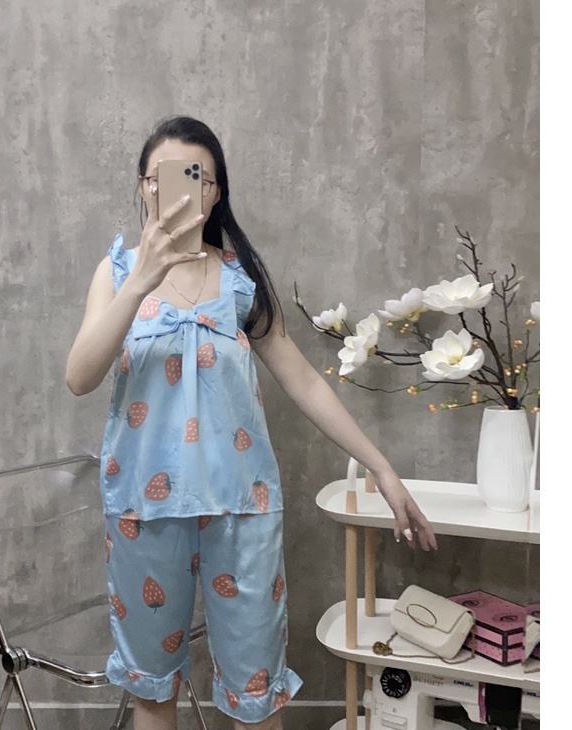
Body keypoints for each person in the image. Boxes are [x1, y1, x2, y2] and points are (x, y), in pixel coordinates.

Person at [66, 115, 437, 730]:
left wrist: (382, 469)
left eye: (199, 177)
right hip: (141, 509)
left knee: (255, 691)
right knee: (152, 691)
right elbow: (80, 376)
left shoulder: (239, 279)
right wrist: (141, 282)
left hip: (243, 507)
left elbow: (303, 380)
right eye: (165, 176)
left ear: (214, 192)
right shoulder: (117, 272)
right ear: (144, 185)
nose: (182, 189)